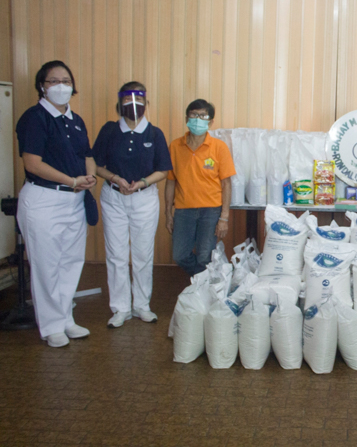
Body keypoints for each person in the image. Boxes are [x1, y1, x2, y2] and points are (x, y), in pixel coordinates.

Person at [15, 60, 97, 347]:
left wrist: (88, 176)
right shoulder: (34, 118)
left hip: (73, 201)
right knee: (46, 265)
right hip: (43, 200)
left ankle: (65, 319)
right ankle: (51, 326)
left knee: (71, 262)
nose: (61, 86)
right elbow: (32, 163)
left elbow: (87, 153)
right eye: (53, 81)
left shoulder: (76, 120)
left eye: (66, 81)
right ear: (42, 85)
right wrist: (72, 179)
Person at [93, 82, 172, 328]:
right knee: (116, 255)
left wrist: (142, 183)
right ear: (120, 102)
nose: (133, 105)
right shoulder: (109, 130)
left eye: (139, 99)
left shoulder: (155, 133)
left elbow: (164, 170)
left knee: (142, 254)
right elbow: (95, 164)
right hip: (114, 198)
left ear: (147, 103)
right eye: (128, 100)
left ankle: (141, 306)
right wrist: (115, 179)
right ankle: (120, 308)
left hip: (144, 199)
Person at [165, 99, 235, 276]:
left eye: (203, 116)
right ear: (187, 118)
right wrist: (167, 213)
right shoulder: (175, 146)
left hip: (211, 211)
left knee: (205, 257)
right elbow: (170, 181)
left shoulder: (219, 147)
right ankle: (203, 281)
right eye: (194, 115)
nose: (198, 119)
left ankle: (201, 289)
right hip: (183, 210)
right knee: (180, 255)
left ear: (210, 122)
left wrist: (224, 218)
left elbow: (226, 183)